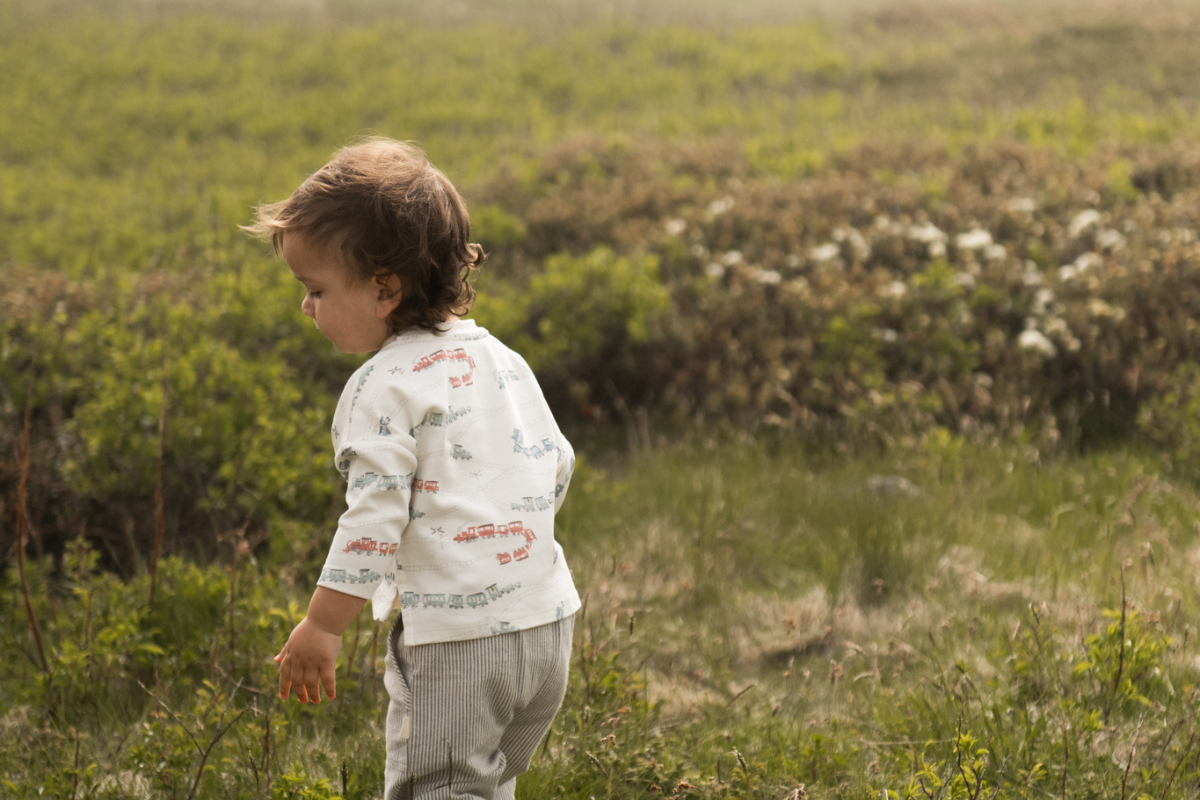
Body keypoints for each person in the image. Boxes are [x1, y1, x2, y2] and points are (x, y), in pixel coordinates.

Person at [245, 138, 580, 800]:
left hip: (459, 645)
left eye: (315, 290)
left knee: (440, 788)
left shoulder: (382, 386)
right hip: (547, 629)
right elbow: (557, 464)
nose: (305, 308)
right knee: (485, 784)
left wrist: (323, 625)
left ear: (384, 290)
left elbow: (374, 519)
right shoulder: (502, 359)